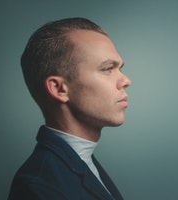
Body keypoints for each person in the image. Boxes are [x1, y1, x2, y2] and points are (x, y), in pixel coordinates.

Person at [8, 17, 131, 200]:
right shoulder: (38, 187)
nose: (126, 81)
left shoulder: (81, 160)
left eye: (120, 68)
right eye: (107, 69)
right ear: (59, 89)